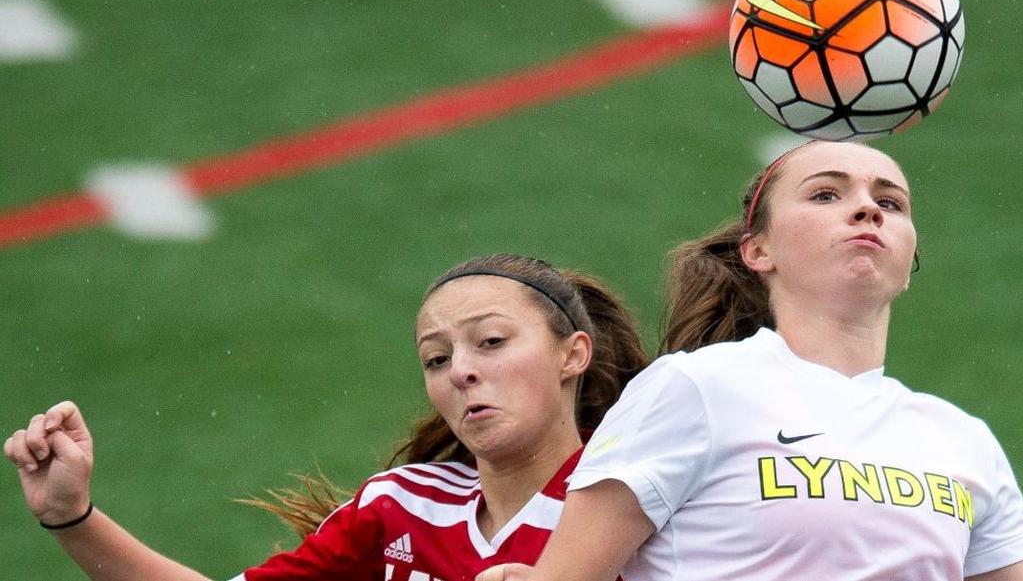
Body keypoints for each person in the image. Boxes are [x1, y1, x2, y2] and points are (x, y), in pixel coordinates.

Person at [477, 141, 1023, 581]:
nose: (867, 210)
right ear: (758, 250)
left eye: (890, 202)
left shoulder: (963, 440)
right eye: (827, 194)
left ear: (909, 260)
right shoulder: (696, 388)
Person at [4, 253, 649, 581]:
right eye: (436, 358)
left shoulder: (636, 496)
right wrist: (72, 516)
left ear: (574, 354)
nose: (461, 371)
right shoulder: (399, 506)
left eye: (492, 341)